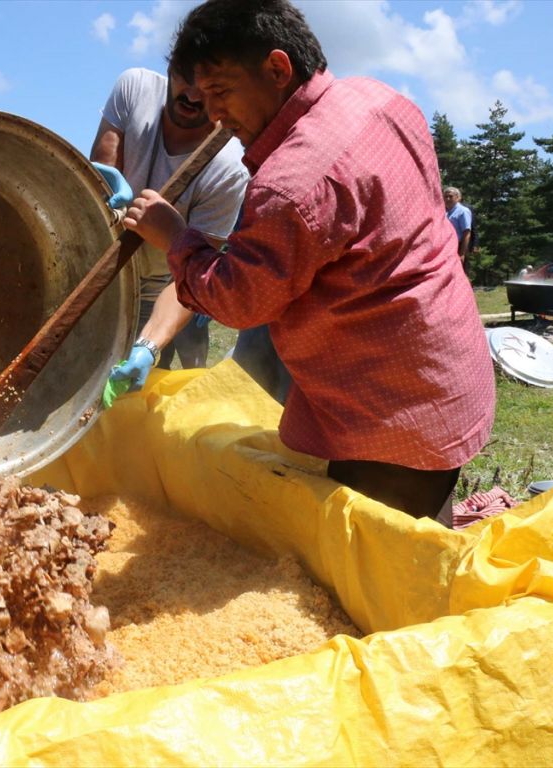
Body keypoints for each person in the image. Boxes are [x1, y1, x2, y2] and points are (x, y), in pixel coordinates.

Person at [122, 0, 495, 522]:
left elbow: (238, 301)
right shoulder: (379, 98)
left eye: (221, 92)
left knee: (382, 562)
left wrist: (176, 236)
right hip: (445, 370)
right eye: (202, 97)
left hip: (387, 417)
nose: (213, 115)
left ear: (277, 68)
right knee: (426, 528)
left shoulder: (294, 183)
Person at [90, 66, 249, 389]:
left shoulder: (228, 169)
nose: (191, 95)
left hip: (150, 297)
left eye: (205, 88)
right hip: (86, 268)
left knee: (123, 407)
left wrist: (148, 345)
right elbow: (96, 184)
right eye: (184, 77)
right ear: (171, 65)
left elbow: (192, 274)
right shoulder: (135, 89)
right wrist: (98, 180)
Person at [444, 186, 473, 262]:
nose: (448, 199)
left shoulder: (463, 211)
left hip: (459, 247)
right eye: (446, 197)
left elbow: (467, 233)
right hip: (447, 247)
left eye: (451, 196)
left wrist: (462, 253)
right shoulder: (444, 212)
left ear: (457, 198)